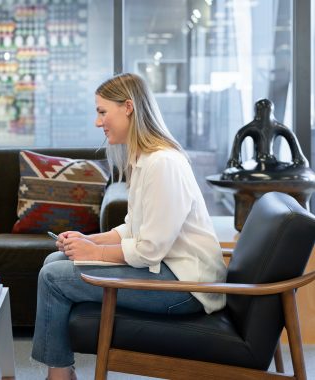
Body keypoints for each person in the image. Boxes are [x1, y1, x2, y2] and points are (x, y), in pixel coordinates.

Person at [31, 73, 227, 380]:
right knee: (54, 260)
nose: (98, 123)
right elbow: (132, 228)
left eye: (102, 112)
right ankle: (61, 371)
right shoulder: (145, 159)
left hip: (188, 287)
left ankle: (59, 375)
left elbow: (150, 249)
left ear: (128, 108)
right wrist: (87, 240)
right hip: (167, 270)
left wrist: (94, 251)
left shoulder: (163, 163)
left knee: (54, 276)